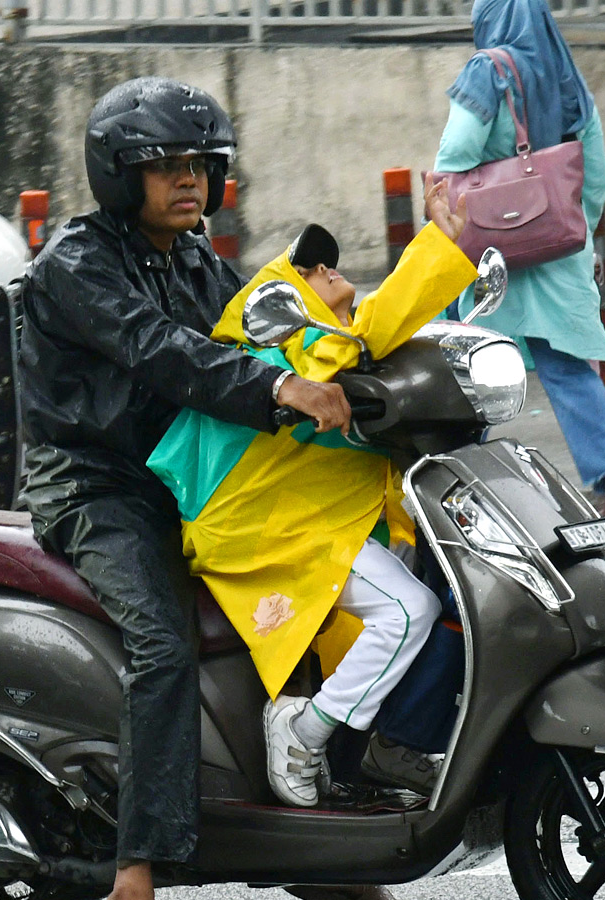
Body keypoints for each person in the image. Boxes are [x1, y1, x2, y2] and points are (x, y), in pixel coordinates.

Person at [17, 76, 350, 900]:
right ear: (120, 175)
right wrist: (276, 392)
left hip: (190, 479)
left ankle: (318, 848)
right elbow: (165, 351)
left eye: (199, 162)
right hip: (95, 486)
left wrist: (335, 327)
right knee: (163, 644)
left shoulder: (196, 258)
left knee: (304, 604)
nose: (188, 179)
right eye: (164, 165)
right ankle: (140, 862)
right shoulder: (77, 263)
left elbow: (249, 332)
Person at [147, 177, 476, 806]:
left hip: (315, 521)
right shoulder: (266, 328)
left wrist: (441, 242)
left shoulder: (329, 342)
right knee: (409, 609)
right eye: (312, 266)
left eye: (333, 265)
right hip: (262, 528)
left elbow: (365, 333)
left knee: (446, 583)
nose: (328, 270)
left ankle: (393, 741)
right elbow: (345, 345)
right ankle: (305, 729)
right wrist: (435, 249)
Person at [435, 0, 605, 525]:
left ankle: (453, 481)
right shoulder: (565, 74)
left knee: (470, 362)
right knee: (567, 366)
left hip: (493, 252)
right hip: (555, 247)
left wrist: (450, 202)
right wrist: (568, 228)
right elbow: (592, 168)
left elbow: (456, 152)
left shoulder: (489, 70)